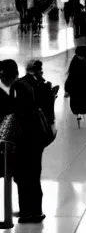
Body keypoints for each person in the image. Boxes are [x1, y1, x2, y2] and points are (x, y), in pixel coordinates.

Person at [0, 60, 45, 223]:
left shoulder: (17, 87)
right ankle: (30, 210)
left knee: (26, 175)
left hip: (27, 139)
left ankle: (31, 213)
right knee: (30, 175)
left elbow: (16, 113)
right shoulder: (24, 84)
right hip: (33, 137)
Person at [21, 60, 57, 135]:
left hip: (37, 122)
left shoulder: (43, 85)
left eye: (40, 69)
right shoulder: (24, 84)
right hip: (34, 122)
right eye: (37, 69)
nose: (40, 71)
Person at [64, 46, 86, 121]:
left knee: (78, 107)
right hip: (81, 92)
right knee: (81, 107)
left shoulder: (76, 64)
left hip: (78, 92)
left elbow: (70, 78)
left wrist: (67, 90)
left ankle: (78, 115)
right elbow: (71, 78)